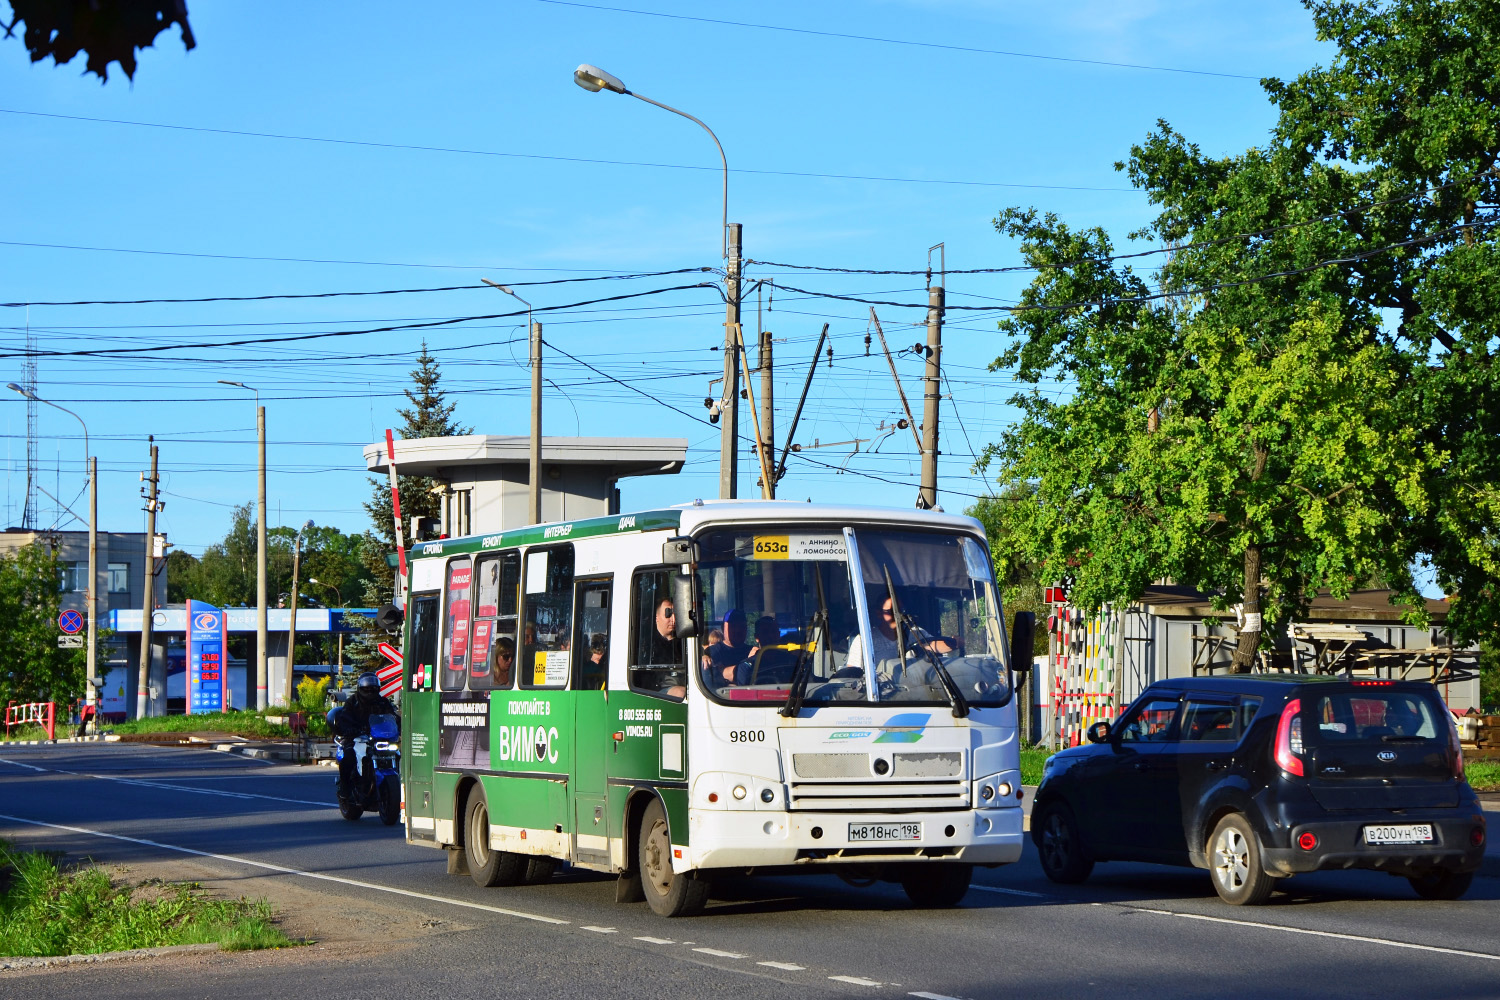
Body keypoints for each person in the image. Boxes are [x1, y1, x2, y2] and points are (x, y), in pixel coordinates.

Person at [845, 596, 953, 684]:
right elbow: (852, 675)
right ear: (879, 613)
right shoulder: (864, 640)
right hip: (881, 696)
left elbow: (935, 645)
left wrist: (953, 643)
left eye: (900, 611)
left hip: (916, 692)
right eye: (891, 611)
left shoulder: (914, 633)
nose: (897, 616)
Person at [333, 671, 397, 802]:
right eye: (366, 689)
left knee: (397, 753)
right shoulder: (353, 702)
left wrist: (399, 726)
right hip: (356, 737)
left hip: (378, 737)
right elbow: (344, 717)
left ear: (377, 689)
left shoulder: (383, 702)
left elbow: (392, 717)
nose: (369, 691)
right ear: (360, 688)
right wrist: (349, 729)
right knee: (349, 756)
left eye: (372, 688)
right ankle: (345, 788)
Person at [735, 615, 798, 685]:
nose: (770, 636)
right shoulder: (747, 666)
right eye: (765, 632)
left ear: (779, 634)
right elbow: (744, 693)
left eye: (773, 632)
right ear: (756, 637)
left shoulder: (792, 662)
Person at [707, 609, 752, 683]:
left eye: (742, 626)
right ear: (722, 628)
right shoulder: (713, 652)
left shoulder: (752, 651)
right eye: (733, 626)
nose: (737, 630)